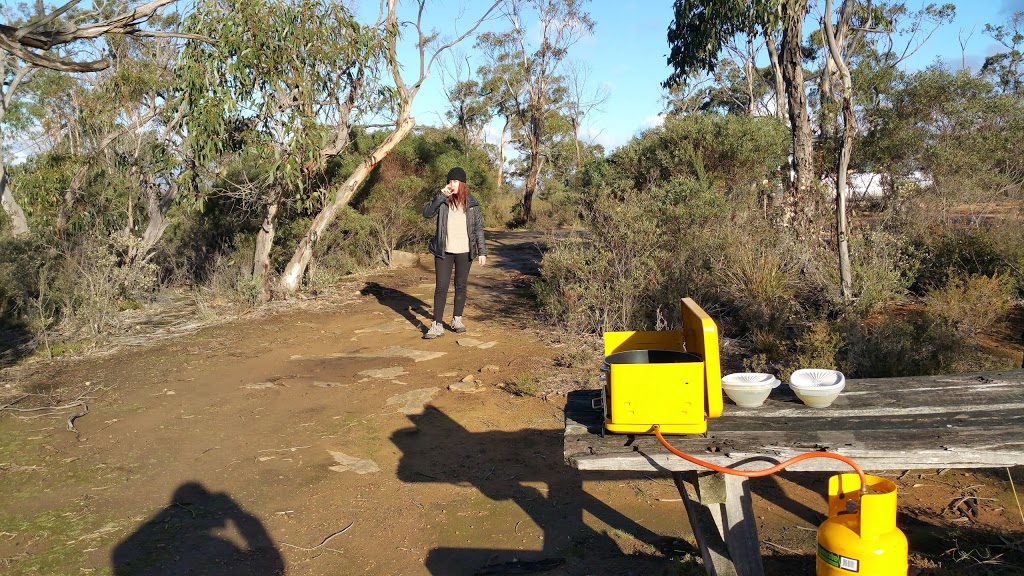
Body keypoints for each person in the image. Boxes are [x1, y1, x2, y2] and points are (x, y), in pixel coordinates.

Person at [422, 166, 486, 339]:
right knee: (441, 287)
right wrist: (441, 195)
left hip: (465, 252)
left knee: (461, 286)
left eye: (455, 181)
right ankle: (437, 325)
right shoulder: (443, 201)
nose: (452, 184)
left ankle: (457, 319)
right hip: (444, 251)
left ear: (462, 183)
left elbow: (478, 228)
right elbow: (426, 213)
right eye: (450, 181)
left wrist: (482, 251)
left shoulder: (472, 203)